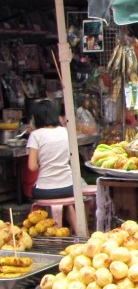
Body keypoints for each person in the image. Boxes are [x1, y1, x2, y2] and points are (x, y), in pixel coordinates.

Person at [27, 99, 78, 232]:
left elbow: (32, 166)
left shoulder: (35, 135)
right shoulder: (66, 131)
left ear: (37, 118)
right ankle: (81, 233)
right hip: (68, 187)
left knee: (34, 194)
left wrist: (43, 161)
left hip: (45, 190)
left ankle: (41, 232)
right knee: (67, 204)